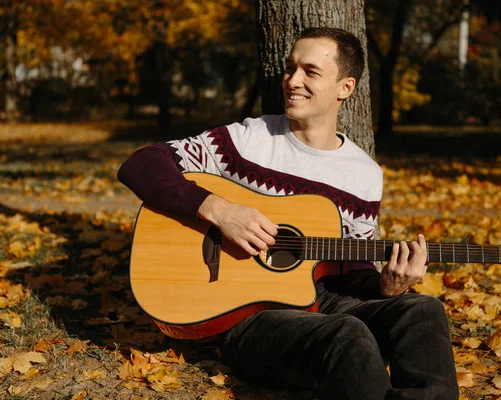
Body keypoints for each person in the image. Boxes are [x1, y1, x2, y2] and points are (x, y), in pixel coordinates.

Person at [118, 27, 458, 400]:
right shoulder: (247, 140)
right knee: (346, 334)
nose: (292, 81)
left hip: (320, 303)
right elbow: (142, 164)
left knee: (422, 309)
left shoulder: (364, 174)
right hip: (246, 316)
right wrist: (219, 209)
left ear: (345, 87)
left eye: (310, 71)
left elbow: (350, 269)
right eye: (290, 68)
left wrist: (386, 287)